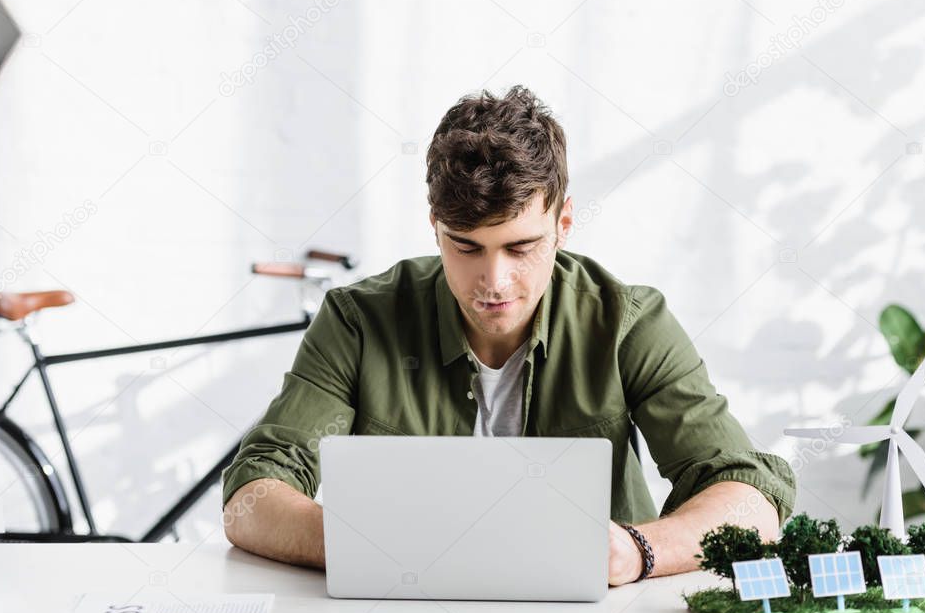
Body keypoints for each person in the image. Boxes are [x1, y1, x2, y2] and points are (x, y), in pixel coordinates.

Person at [222, 85, 795, 585]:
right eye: (465, 247)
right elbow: (251, 496)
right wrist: (366, 545)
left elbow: (751, 497)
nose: (493, 282)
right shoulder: (358, 320)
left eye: (520, 248)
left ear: (562, 224)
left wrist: (638, 552)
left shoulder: (628, 322)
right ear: (435, 228)